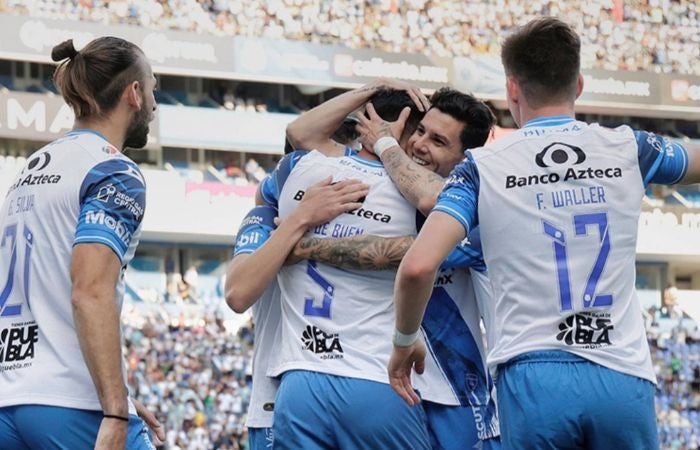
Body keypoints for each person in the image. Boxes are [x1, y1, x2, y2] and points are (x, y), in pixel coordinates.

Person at [388, 17, 700, 450]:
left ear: (512, 88)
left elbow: (419, 266)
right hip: (622, 375)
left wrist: (404, 341)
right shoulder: (630, 147)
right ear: (579, 85)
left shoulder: (484, 167)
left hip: (533, 377)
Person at [290, 81, 501, 450]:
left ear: (467, 158)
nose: (420, 144)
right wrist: (373, 90)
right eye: (420, 130)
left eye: (439, 142)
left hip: (453, 391)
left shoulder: (475, 208)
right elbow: (300, 133)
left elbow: (412, 248)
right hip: (386, 383)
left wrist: (299, 245)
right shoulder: (386, 183)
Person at [0, 37, 165, 449]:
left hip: (11, 401)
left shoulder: (31, 169)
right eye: (154, 90)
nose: (155, 106)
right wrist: (113, 406)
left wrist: (118, 391)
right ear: (134, 93)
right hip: (71, 404)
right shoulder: (113, 170)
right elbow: (90, 291)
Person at [258, 88, 433, 450]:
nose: (423, 145)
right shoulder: (414, 194)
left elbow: (297, 135)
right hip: (375, 378)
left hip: (300, 381)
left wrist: (371, 89)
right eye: (421, 131)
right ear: (404, 128)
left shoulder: (300, 168)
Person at [225, 176, 369, 450]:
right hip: (277, 404)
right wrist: (299, 218)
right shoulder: (268, 216)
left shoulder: (363, 207)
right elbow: (236, 293)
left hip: (349, 394)